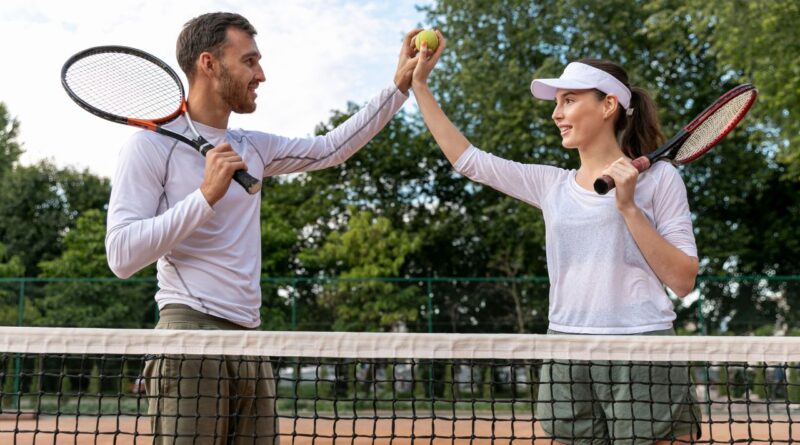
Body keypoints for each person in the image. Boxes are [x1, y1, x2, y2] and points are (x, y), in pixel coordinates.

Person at [105, 12, 420, 444]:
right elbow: (121, 256)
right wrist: (204, 198)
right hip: (190, 337)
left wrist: (398, 86)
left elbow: (331, 149)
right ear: (209, 64)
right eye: (250, 61)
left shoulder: (253, 147)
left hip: (251, 338)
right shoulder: (149, 145)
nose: (262, 74)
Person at [410, 32, 702, 443]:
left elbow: (684, 280)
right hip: (566, 347)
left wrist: (629, 207)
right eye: (556, 103)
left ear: (608, 105)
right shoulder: (551, 185)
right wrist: (419, 87)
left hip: (643, 347)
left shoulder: (661, 180)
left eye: (569, 100)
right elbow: (469, 161)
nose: (556, 114)